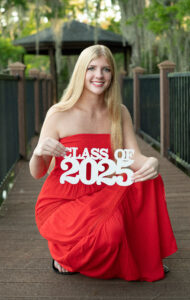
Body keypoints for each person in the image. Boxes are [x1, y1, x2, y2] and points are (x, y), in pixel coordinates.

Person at [29, 44, 178, 282]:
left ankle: (140, 255)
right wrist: (38, 152)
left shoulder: (120, 113)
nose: (99, 75)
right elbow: (37, 172)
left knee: (148, 181)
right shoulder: (58, 113)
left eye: (106, 69)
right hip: (65, 201)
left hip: (106, 192)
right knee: (109, 235)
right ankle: (67, 253)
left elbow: (133, 159)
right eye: (92, 68)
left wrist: (152, 162)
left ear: (112, 75)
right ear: (81, 72)